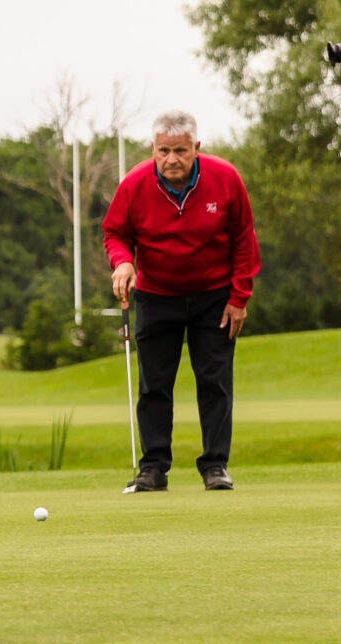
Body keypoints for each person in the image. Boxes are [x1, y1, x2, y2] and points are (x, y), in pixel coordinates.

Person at [102, 111, 259, 494]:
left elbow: (243, 239)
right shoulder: (135, 183)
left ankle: (215, 465)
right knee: (154, 384)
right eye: (164, 151)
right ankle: (153, 468)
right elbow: (115, 232)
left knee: (215, 381)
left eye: (180, 151)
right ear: (153, 149)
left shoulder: (225, 178)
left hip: (215, 297)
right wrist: (123, 261)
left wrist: (239, 298)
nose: (171, 159)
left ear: (196, 149)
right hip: (157, 295)